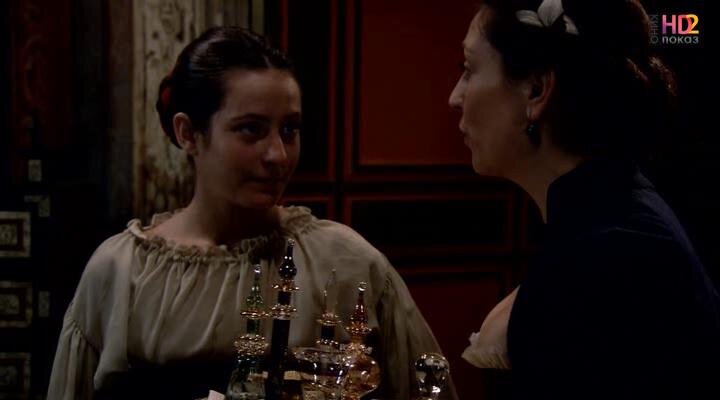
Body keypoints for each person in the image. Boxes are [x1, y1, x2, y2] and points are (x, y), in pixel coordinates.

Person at [48, 27, 452, 400]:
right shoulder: (123, 273)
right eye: (251, 130)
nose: (278, 155)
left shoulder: (345, 263)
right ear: (189, 133)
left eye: (289, 130)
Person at [448, 0, 720, 398]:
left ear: (537, 90)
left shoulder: (615, 250)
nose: (455, 97)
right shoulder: (597, 219)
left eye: (469, 69)